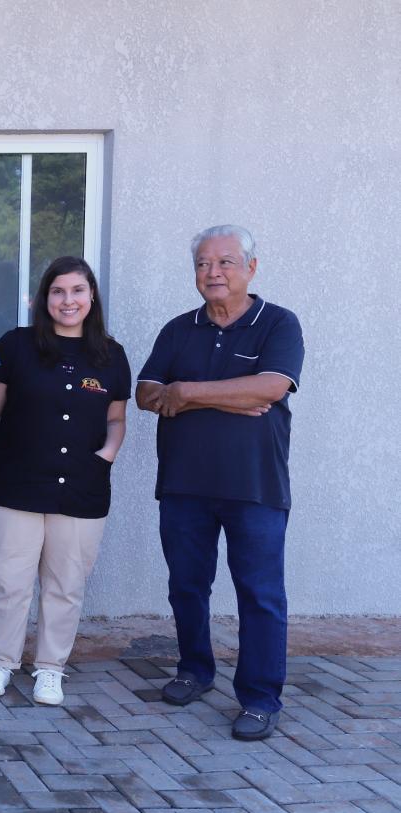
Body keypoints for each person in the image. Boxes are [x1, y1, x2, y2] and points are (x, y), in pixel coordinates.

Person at [136, 225, 304, 741]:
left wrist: (185, 392)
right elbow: (146, 393)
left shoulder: (277, 323)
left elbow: (273, 386)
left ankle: (259, 698)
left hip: (254, 487)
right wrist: (227, 394)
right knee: (187, 585)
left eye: (226, 262)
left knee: (260, 595)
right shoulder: (177, 329)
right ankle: (195, 669)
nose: (213, 272)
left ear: (251, 268)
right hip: (184, 484)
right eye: (204, 264)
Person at [0, 257, 130, 706]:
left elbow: (116, 418)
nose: (68, 300)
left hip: (82, 487)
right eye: (58, 291)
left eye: (77, 290)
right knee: (8, 580)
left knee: (65, 584)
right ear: (45, 298)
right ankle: (0, 663)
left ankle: (50, 669)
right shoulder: (17, 346)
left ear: (91, 296)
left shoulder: (110, 355)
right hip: (15, 484)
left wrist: (106, 454)